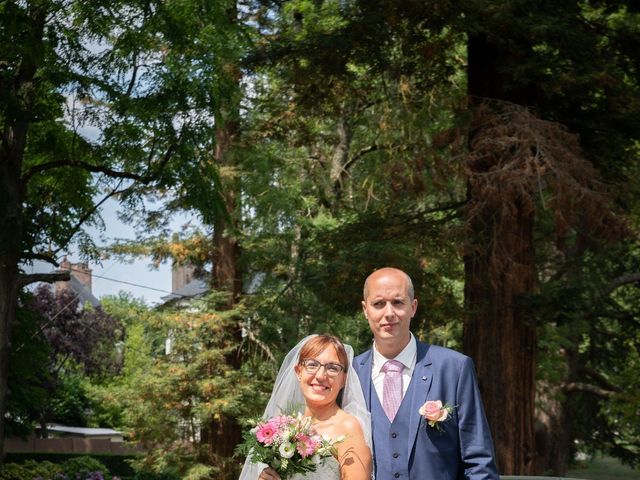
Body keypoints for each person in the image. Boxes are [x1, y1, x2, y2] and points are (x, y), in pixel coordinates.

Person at [353, 267, 499, 479]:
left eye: (397, 302)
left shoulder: (455, 368)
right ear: (366, 310)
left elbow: (479, 463)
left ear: (413, 307)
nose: (389, 313)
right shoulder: (350, 374)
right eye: (378, 304)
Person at [239, 334, 373, 480]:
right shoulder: (285, 429)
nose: (321, 376)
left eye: (333, 368)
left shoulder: (348, 428)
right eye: (312, 365)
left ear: (343, 380)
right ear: (298, 372)